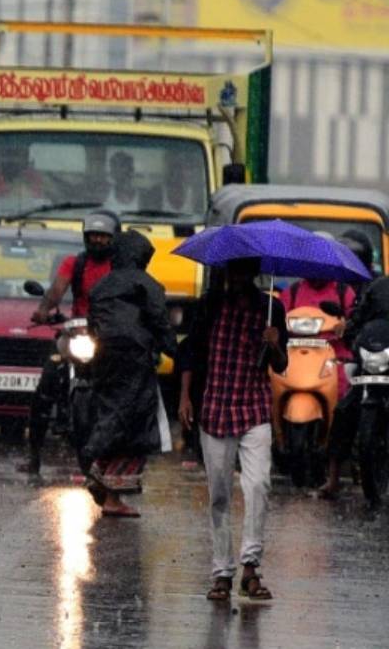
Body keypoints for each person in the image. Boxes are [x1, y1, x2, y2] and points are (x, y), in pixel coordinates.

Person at [178, 258, 287, 603]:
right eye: (231, 272)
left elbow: (282, 365)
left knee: (258, 484)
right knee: (219, 495)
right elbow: (191, 353)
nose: (236, 279)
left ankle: (251, 568)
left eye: (242, 272)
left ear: (252, 274)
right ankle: (222, 572)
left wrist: (274, 343)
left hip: (254, 407)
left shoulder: (272, 307)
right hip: (214, 408)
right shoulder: (209, 305)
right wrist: (185, 398)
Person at [16, 210, 120, 474]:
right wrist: (43, 310)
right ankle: (34, 456)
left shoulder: (120, 267)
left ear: (114, 239)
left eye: (103, 236)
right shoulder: (74, 263)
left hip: (109, 336)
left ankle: (125, 454)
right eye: (93, 235)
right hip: (75, 333)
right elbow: (56, 291)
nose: (97, 240)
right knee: (47, 383)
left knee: (127, 384)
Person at [82, 231, 176, 516]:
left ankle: (99, 471)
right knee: (137, 429)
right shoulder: (148, 286)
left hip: (104, 363)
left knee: (112, 417)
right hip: (137, 364)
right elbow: (161, 325)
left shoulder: (100, 287)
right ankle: (109, 491)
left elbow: (92, 325)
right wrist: (178, 353)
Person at [320, 229, 377, 497]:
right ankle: (333, 478)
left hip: (381, 355)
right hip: (358, 359)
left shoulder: (379, 286)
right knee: (344, 410)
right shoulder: (338, 288)